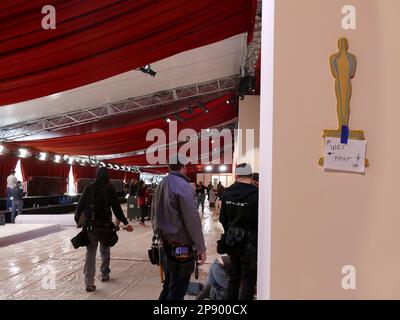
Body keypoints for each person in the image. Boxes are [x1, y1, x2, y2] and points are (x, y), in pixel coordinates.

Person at [151, 162, 207, 300]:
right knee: (177, 291)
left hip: (164, 245)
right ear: (183, 168)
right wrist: (201, 247)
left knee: (169, 285)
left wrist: (158, 235)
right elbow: (192, 219)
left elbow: (153, 214)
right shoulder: (183, 186)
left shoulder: (160, 185)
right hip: (181, 248)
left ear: (169, 168)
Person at [75, 167, 133, 292]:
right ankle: (104, 274)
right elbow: (117, 208)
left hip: (91, 227)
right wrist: (125, 222)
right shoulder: (109, 189)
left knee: (90, 253)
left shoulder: (89, 188)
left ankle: (89, 282)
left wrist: (78, 221)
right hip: (105, 227)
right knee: (105, 250)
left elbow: (80, 206)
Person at [219, 163, 258, 300]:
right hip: (249, 244)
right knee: (248, 281)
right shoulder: (256, 194)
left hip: (232, 242)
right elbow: (258, 221)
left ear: (237, 175)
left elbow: (222, 218)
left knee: (233, 277)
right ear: (251, 175)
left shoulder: (227, 193)